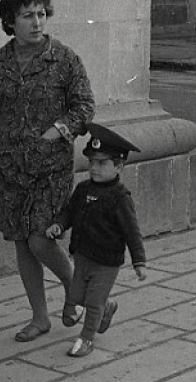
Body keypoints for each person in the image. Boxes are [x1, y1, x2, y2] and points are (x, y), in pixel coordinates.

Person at [0, 0, 95, 343]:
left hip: (51, 167)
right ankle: (40, 317)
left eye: (42, 14)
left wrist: (56, 131)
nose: (37, 22)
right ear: (10, 21)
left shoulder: (64, 59)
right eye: (28, 15)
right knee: (21, 242)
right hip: (10, 169)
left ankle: (89, 299)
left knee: (41, 239)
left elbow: (84, 106)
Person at [45, 123, 147, 357]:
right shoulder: (82, 189)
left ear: (119, 166)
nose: (94, 168)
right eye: (91, 162)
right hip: (82, 256)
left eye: (102, 163)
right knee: (75, 298)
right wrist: (59, 224)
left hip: (106, 262)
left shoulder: (120, 197)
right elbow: (70, 211)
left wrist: (138, 261)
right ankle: (107, 308)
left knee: (92, 302)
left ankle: (87, 339)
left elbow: (132, 232)